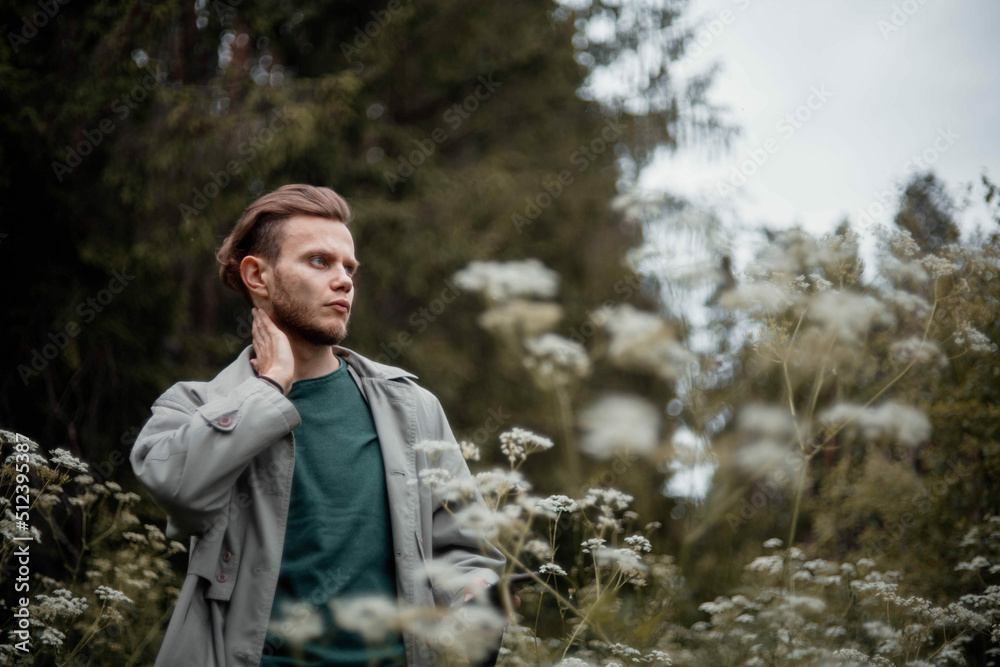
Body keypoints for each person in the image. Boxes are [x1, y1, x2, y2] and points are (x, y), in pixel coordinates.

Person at [130, 184, 505, 667]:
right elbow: (180, 491)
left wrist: (475, 592)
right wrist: (269, 389)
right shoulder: (196, 406)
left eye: (349, 268)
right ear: (257, 276)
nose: (344, 281)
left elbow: (465, 547)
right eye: (319, 262)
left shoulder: (411, 408)